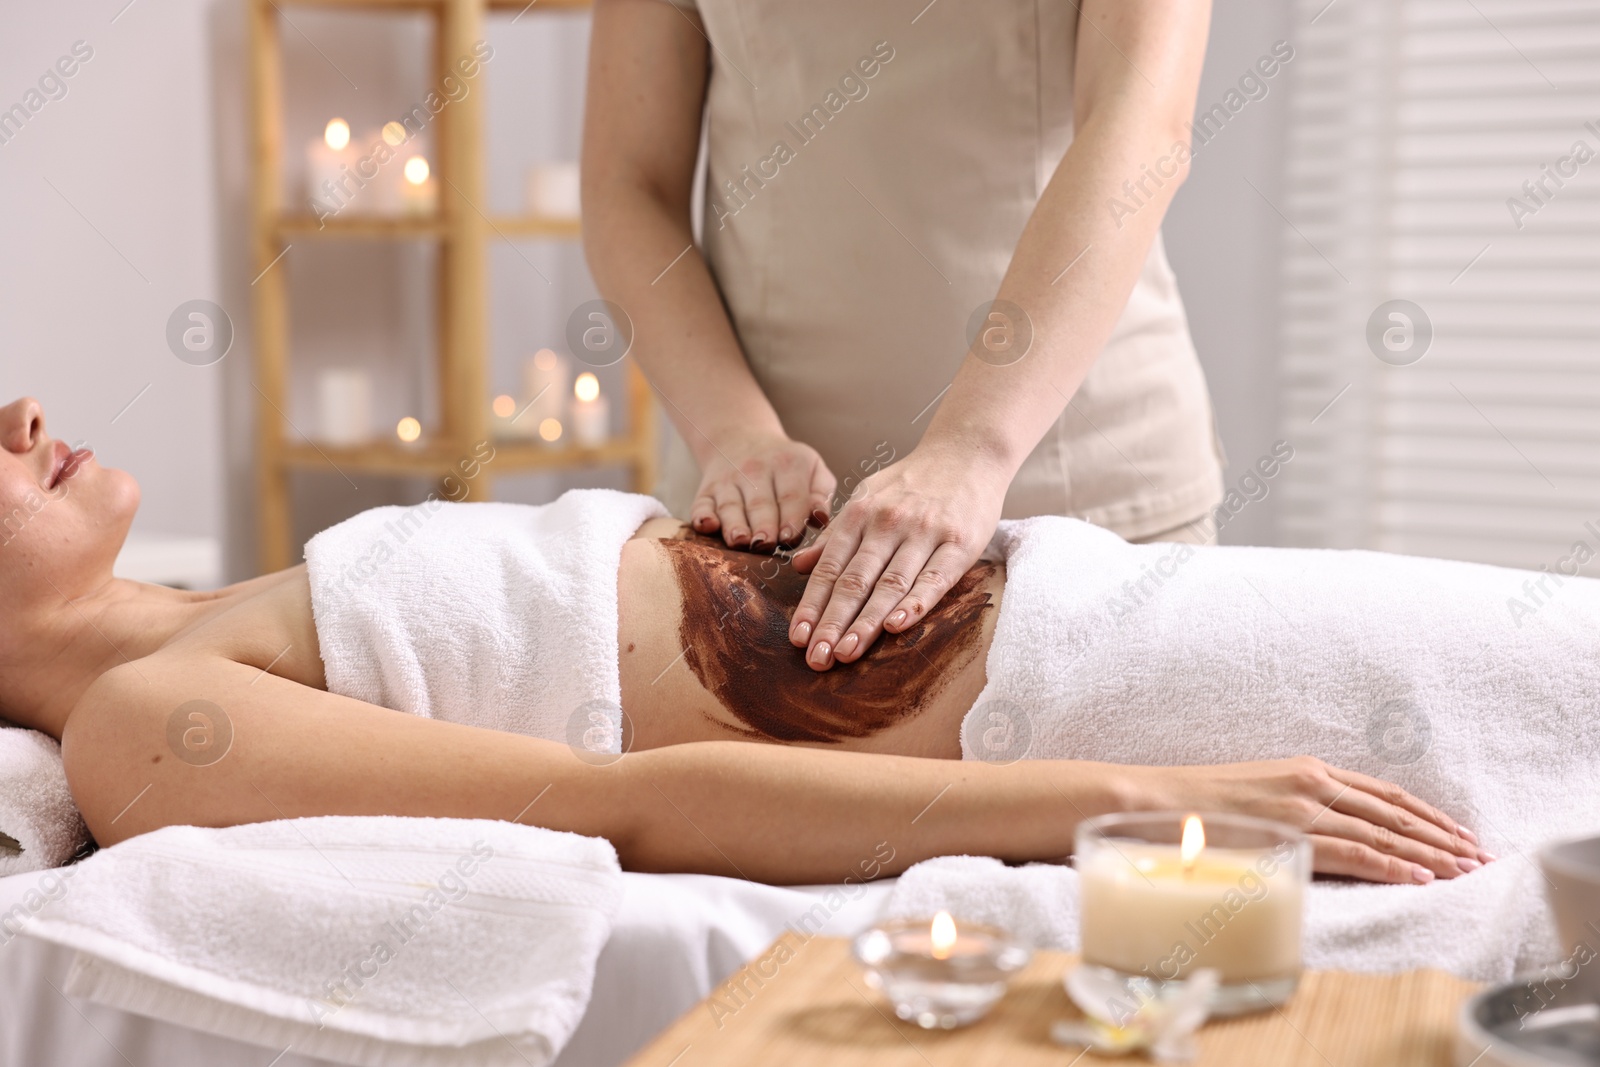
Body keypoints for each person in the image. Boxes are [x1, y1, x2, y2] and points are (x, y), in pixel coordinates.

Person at [0, 397, 1498, 887]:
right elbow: (624, 805)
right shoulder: (144, 725)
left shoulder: (204, 612)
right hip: (1076, 703)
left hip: (1076, 595)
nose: (20, 417)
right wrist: (1143, 804)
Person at [581, 0, 1226, 673]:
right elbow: (631, 181)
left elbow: (1142, 122)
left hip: (1079, 486)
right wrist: (731, 433)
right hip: (764, 513)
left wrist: (974, 447)